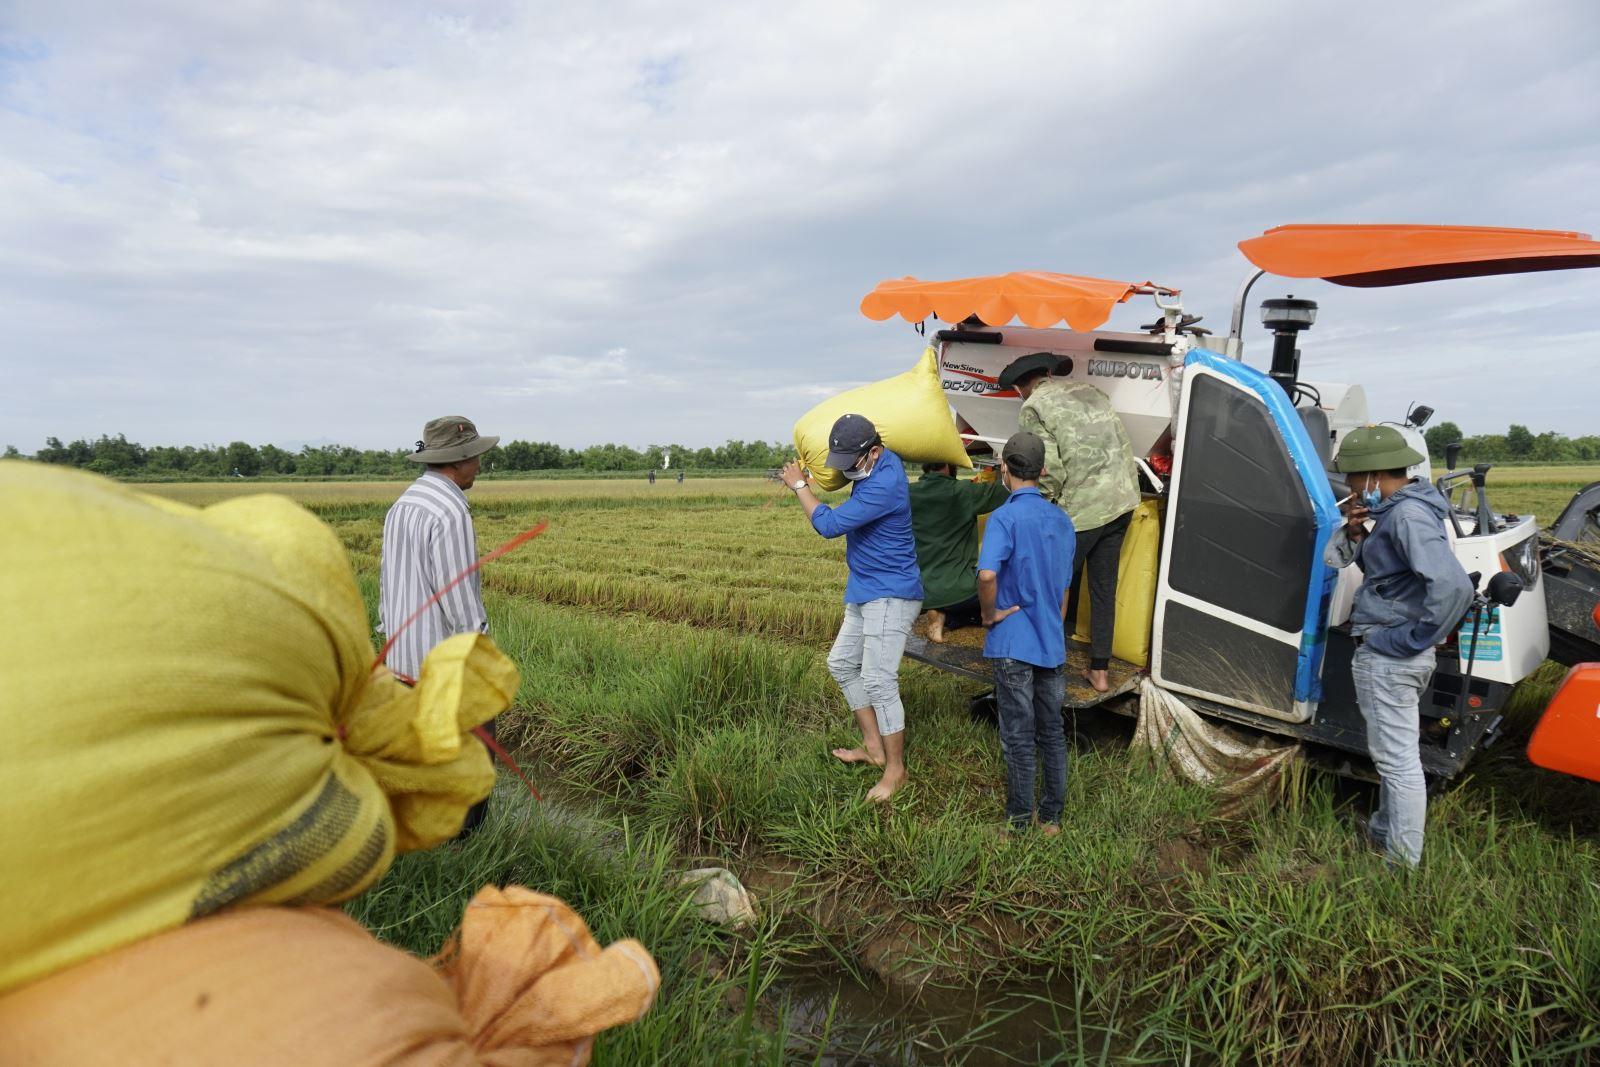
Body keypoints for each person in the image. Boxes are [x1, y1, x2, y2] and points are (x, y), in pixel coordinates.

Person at [1325, 425, 1472, 868]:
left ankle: (1400, 866)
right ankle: (1382, 832)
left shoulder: (1407, 516)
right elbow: (1381, 572)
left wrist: (1409, 639)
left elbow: (1454, 587)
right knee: (1395, 755)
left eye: (1353, 477)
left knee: (1398, 763)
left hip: (1390, 654)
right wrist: (1357, 532)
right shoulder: (1398, 511)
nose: (1351, 486)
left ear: (1372, 474)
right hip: (1393, 650)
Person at [780, 414, 923, 803]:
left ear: (874, 452)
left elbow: (828, 525)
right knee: (841, 663)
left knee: (878, 680)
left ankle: (896, 770)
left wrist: (799, 486)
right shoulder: (880, 459)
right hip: (864, 587)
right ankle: (874, 749)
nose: (845, 471)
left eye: (851, 463)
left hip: (891, 592)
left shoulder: (884, 485)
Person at [380, 415, 500, 833]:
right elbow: (459, 596)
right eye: (476, 456)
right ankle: (465, 841)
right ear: (459, 459)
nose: (479, 465)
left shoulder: (404, 504)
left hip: (401, 659)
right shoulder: (450, 512)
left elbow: (388, 582)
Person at [1003, 352, 1140, 693]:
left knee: (1050, 587)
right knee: (1103, 589)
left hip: (1083, 512)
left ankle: (1044, 665)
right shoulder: (1090, 390)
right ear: (1048, 374)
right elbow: (1122, 444)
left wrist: (1037, 506)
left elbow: (1051, 471)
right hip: (1122, 501)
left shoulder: (1033, 407)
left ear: (1021, 387)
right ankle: (1100, 671)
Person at [976, 432, 1077, 835]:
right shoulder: (1062, 520)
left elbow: (987, 575)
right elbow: (1065, 589)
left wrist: (989, 614)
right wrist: (1052, 622)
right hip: (1051, 642)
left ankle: (1018, 822)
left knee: (1018, 736)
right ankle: (1051, 819)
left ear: (1004, 469)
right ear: (1043, 470)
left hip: (1013, 641)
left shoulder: (1004, 517)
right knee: (1052, 732)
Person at [908, 461, 1009, 642]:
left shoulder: (908, 492)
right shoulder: (963, 491)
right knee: (1003, 587)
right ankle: (951, 615)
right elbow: (1007, 490)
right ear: (948, 464)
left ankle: (939, 611)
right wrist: (1005, 468)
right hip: (960, 591)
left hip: (919, 590)